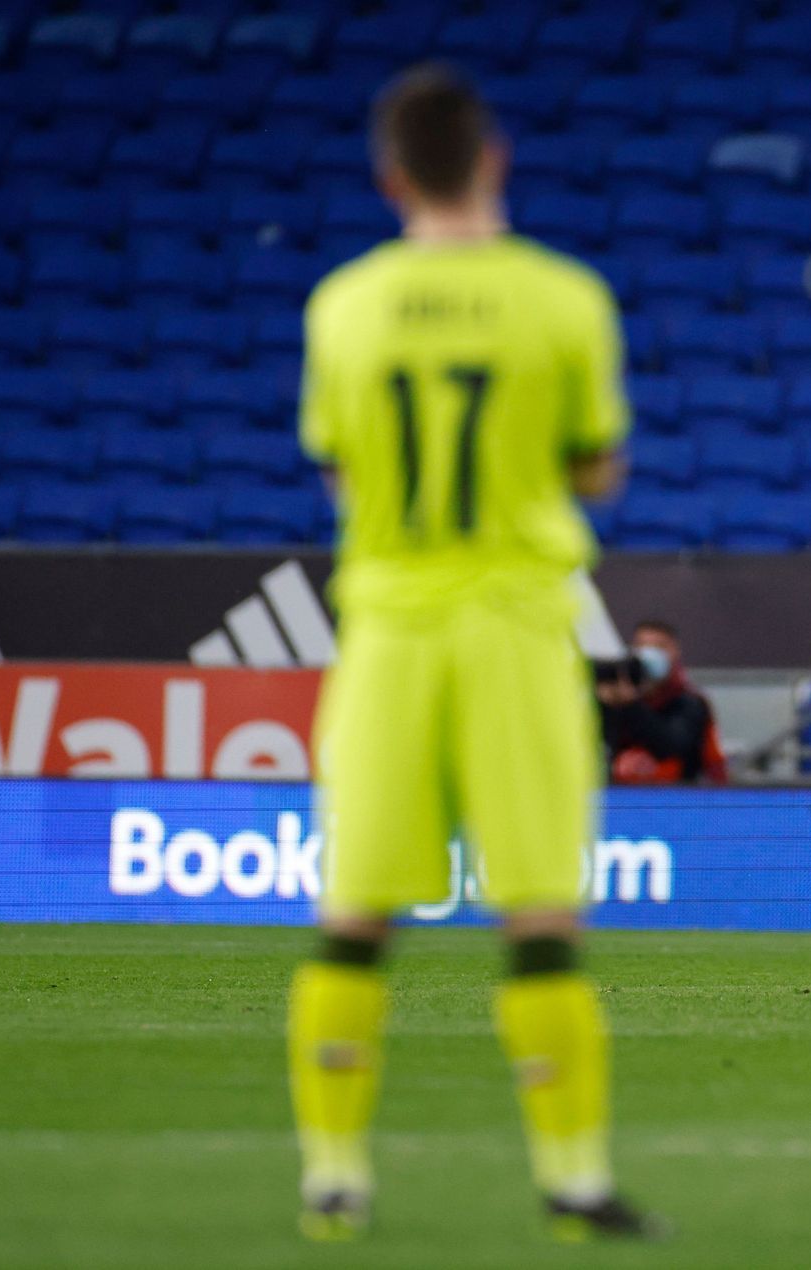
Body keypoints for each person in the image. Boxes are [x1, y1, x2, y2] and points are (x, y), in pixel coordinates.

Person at [288, 64, 659, 1242]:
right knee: (542, 917)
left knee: (356, 915)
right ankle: (576, 1182)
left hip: (390, 628)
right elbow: (597, 466)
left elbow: (341, 466)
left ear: (391, 174)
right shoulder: (564, 299)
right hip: (512, 624)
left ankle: (335, 1176)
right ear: (492, 159)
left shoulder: (342, 305)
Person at [596, 619, 728, 784]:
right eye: (641, 646)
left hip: (675, 800)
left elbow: (672, 746)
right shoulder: (616, 701)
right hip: (621, 799)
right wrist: (605, 706)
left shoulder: (690, 702)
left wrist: (631, 705)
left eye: (660, 647)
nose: (648, 653)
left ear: (676, 651)